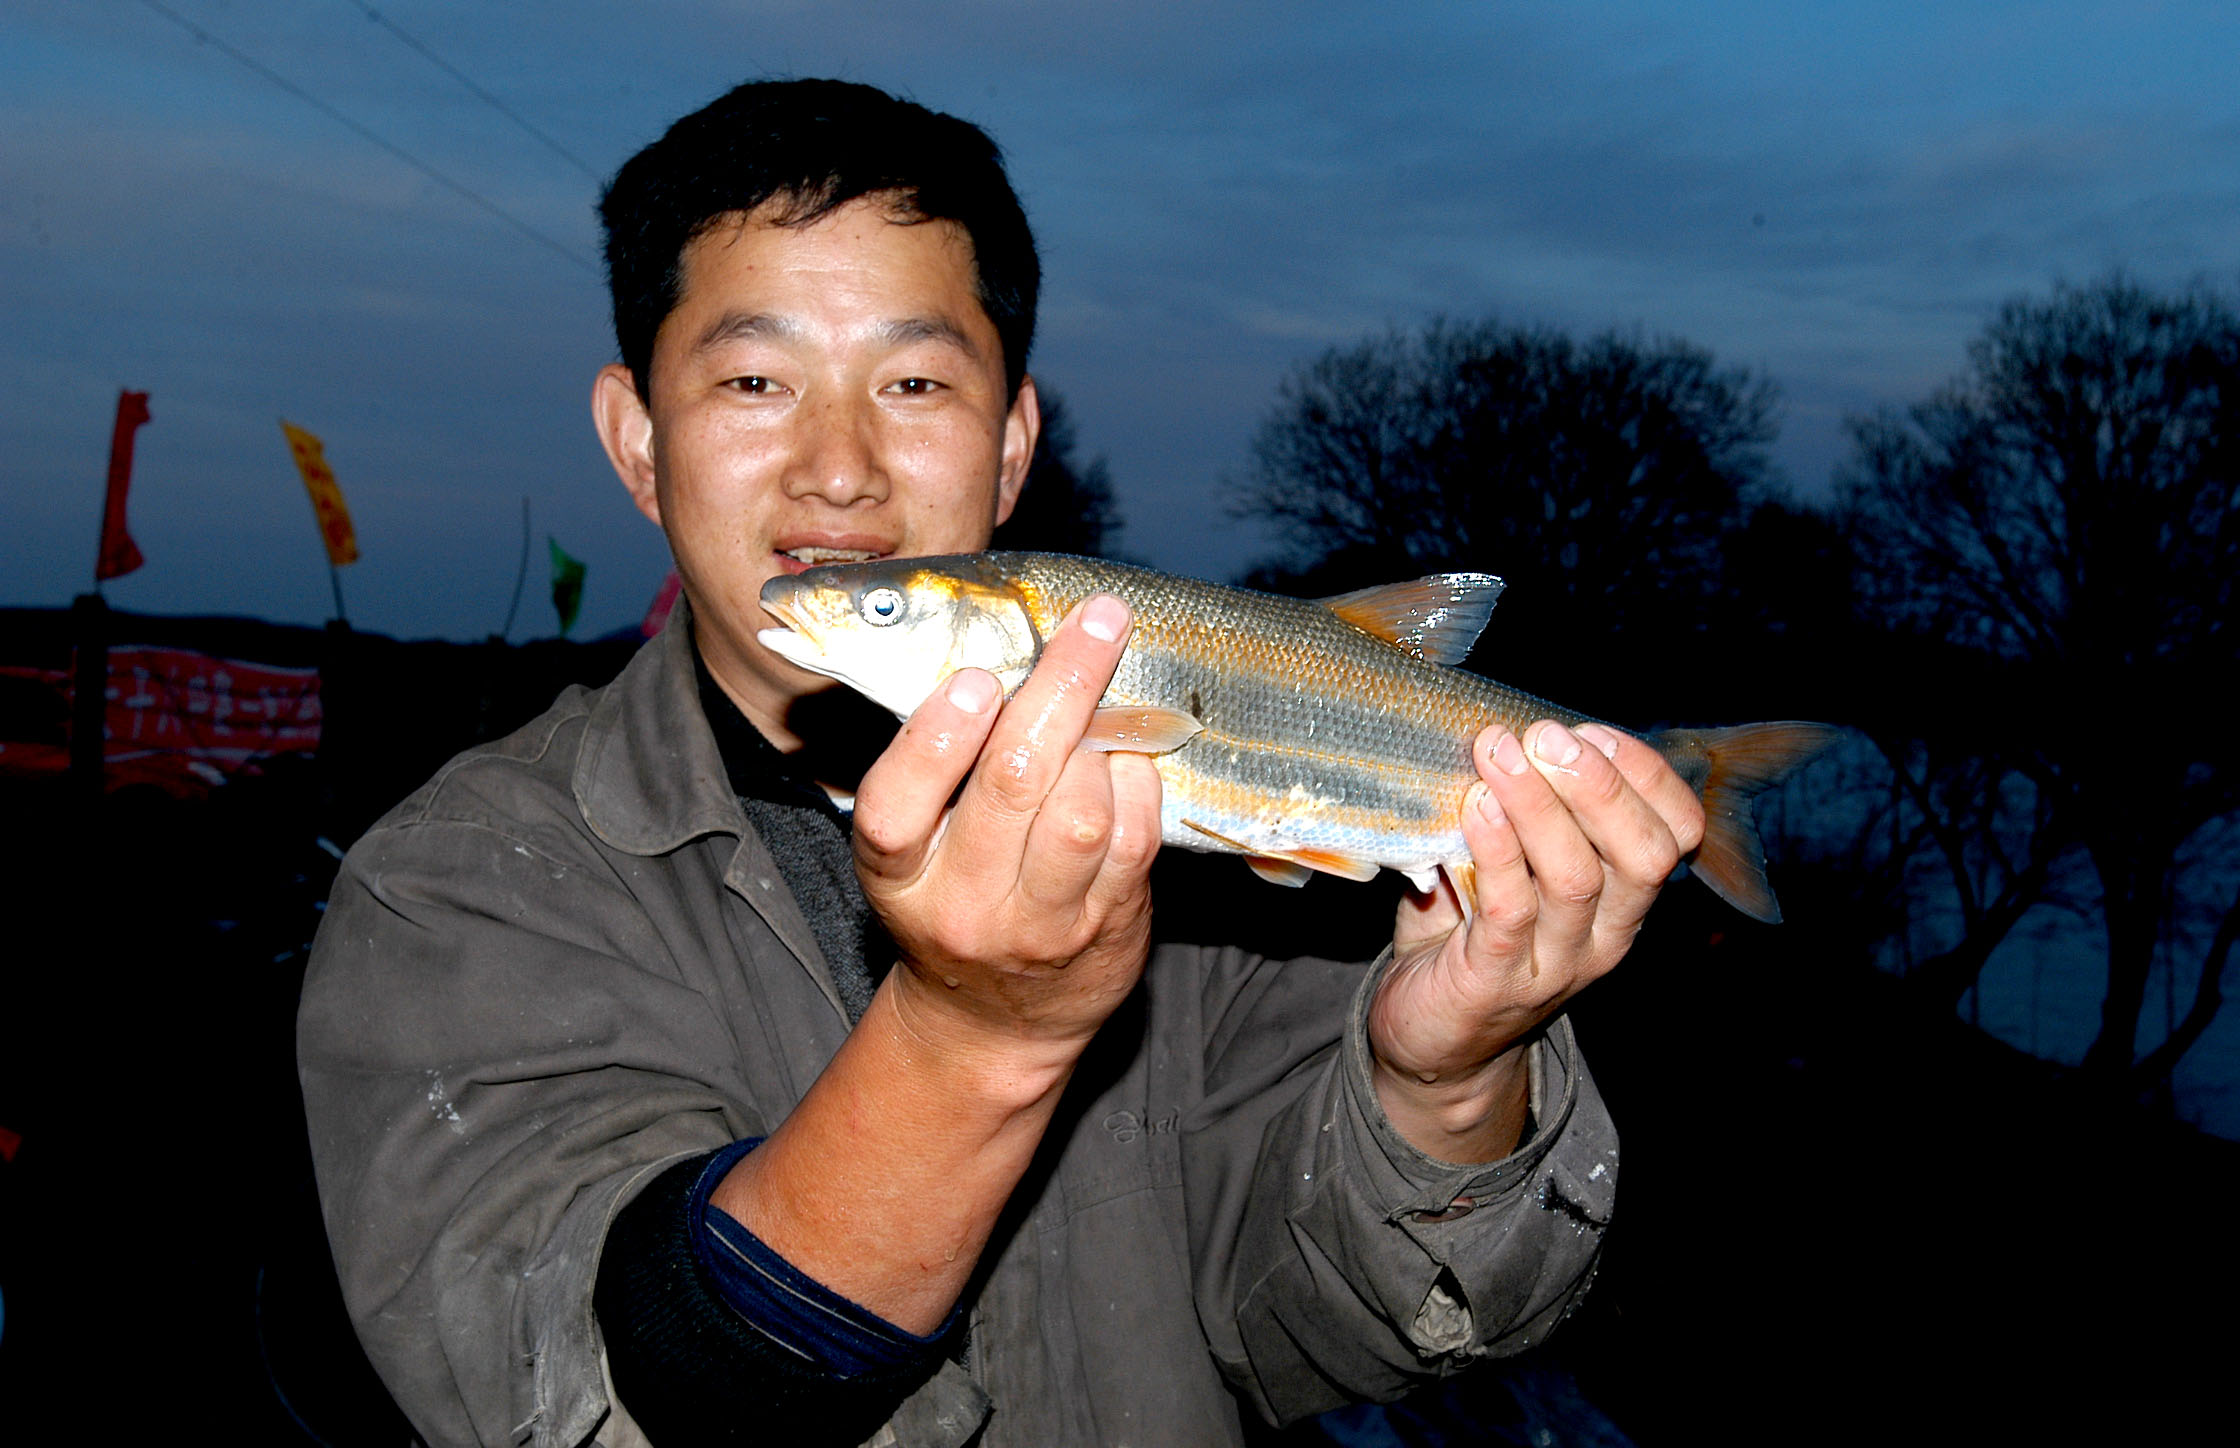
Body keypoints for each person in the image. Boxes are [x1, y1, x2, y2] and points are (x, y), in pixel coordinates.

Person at [298, 78, 1704, 1448]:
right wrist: (976, 1037)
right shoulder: (464, 887)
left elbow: (1343, 1337)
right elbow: (579, 1401)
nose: (838, 469)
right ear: (636, 439)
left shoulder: (1241, 888)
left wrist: (1446, 1081)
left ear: (1016, 441)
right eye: (753, 378)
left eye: (913, 380)